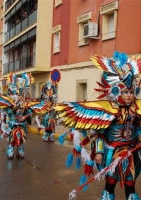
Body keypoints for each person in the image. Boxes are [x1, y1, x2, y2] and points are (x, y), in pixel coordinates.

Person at [55, 51, 141, 200]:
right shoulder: (108, 110)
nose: (129, 95)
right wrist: (99, 152)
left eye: (131, 92)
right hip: (112, 153)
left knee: (130, 182)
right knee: (111, 182)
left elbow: (138, 129)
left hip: (131, 153)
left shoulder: (136, 109)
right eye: (125, 92)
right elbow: (101, 133)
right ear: (117, 92)